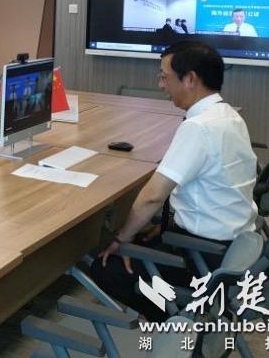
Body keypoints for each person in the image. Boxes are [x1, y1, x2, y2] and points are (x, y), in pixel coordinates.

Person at [91, 41, 258, 320]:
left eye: (164, 77)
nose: (161, 85)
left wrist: (121, 238)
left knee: (105, 267)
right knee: (147, 233)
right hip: (232, 244)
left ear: (190, 79)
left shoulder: (198, 127)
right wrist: (170, 223)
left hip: (203, 255)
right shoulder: (227, 115)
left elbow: (153, 196)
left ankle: (181, 320)